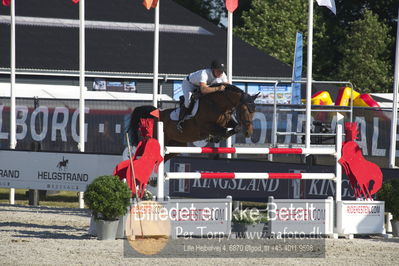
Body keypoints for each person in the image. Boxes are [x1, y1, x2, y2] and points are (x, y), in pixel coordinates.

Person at [177, 59, 229, 131]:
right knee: (188, 101)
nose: (220, 73)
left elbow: (229, 87)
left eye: (222, 71)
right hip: (190, 84)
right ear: (213, 69)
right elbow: (203, 90)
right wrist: (218, 88)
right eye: (218, 70)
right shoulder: (204, 73)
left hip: (203, 86)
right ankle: (180, 121)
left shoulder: (222, 75)